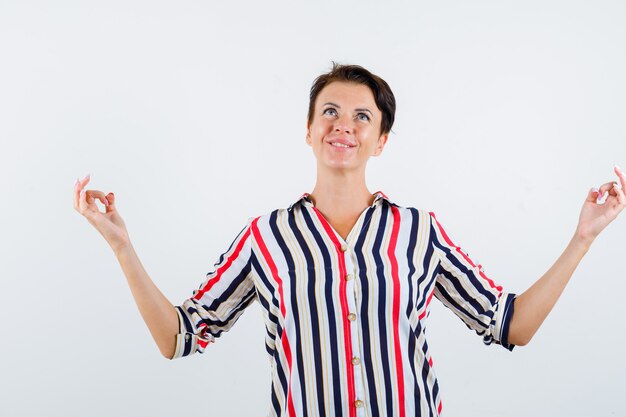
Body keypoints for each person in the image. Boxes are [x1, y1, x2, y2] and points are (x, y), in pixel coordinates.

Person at [73, 63, 626, 417]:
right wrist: (123, 247)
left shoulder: (419, 233)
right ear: (309, 129)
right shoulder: (267, 238)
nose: (344, 125)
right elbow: (181, 337)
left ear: (381, 140)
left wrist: (582, 238)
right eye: (330, 111)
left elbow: (511, 325)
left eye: (363, 116)